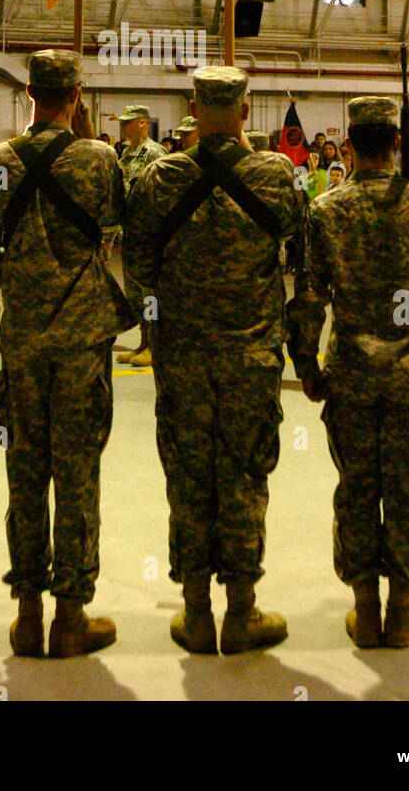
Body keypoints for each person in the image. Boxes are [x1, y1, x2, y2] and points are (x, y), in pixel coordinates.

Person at [124, 66, 303, 655]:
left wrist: (157, 325)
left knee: (189, 477)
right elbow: (300, 257)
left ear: (194, 111)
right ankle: (243, 612)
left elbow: (139, 264)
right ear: (246, 113)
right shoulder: (275, 176)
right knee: (246, 477)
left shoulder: (160, 178)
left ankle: (196, 612)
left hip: (183, 356)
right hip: (251, 356)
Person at [0, 50, 133, 659]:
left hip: (24, 340)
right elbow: (117, 226)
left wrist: (14, 282)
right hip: (84, 338)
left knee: (25, 474)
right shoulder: (100, 159)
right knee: (78, 473)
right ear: (77, 95)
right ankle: (71, 615)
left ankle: (28, 612)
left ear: (30, 91)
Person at [288, 97, 409, 649]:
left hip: (353, 371)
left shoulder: (326, 211)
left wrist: (306, 366)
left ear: (350, 148)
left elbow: (309, 297)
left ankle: (365, 610)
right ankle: (402, 611)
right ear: (396, 143)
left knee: (357, 488)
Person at [116, 105, 166, 368]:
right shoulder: (127, 153)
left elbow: (158, 194)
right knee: (134, 292)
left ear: (143, 123)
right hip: (129, 232)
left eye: (129, 122)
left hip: (148, 235)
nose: (124, 126)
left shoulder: (155, 153)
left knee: (149, 294)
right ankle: (144, 341)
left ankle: (156, 345)